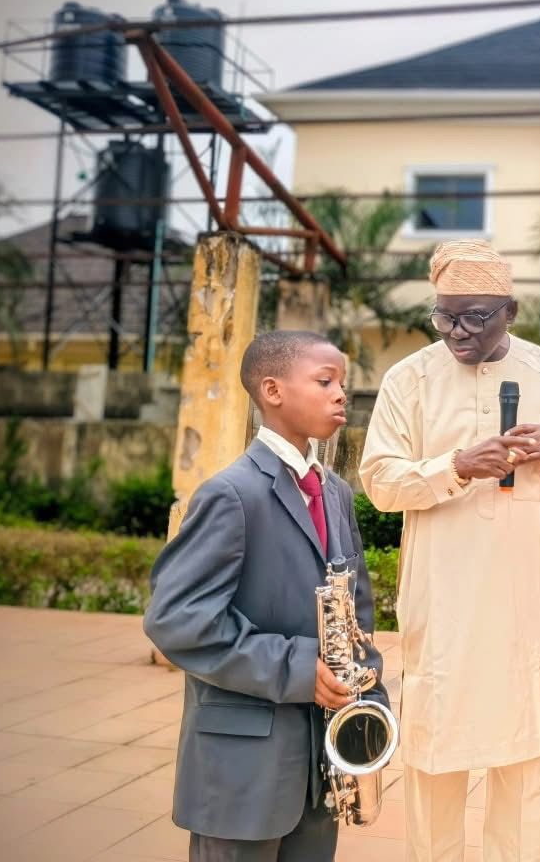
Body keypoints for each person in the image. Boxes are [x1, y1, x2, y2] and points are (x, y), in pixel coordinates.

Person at [359, 239, 540, 862]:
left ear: (510, 312)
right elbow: (379, 481)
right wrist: (455, 467)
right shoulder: (408, 379)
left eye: (474, 316)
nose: (456, 331)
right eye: (444, 315)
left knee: (526, 768)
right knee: (435, 766)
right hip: (447, 606)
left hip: (527, 603)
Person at [144, 330, 386, 862]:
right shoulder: (231, 494)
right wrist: (297, 669)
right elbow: (177, 620)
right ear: (272, 391)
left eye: (342, 382)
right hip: (243, 771)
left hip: (320, 766)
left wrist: (368, 699)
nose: (340, 393)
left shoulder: (336, 493)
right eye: (324, 381)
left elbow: (356, 610)